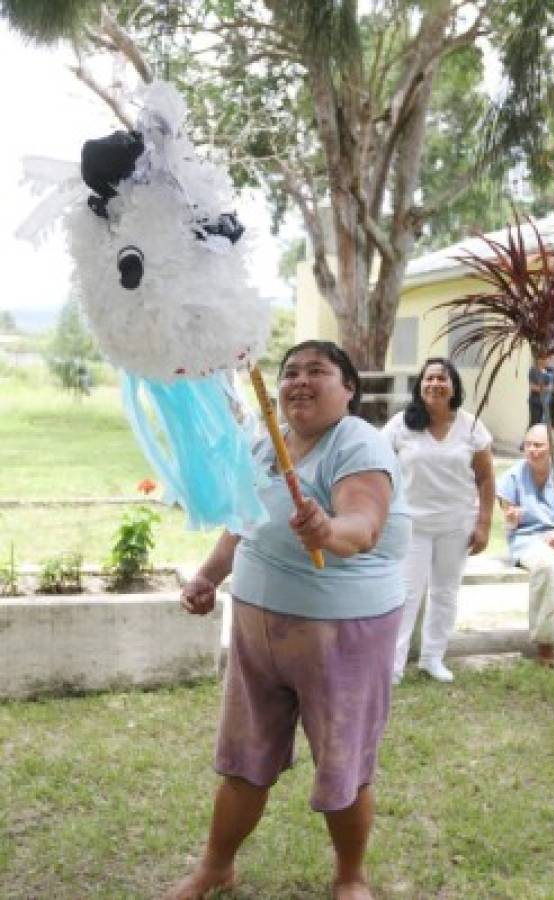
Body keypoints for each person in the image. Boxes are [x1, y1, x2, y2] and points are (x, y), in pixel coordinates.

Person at [164, 340, 411, 900]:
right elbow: (242, 520)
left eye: (317, 371)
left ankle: (351, 877)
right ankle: (216, 866)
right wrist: (208, 576)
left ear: (348, 388)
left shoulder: (358, 443)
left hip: (343, 634)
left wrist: (329, 531)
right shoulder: (264, 447)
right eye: (291, 372)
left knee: (343, 761)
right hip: (257, 629)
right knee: (243, 759)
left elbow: (365, 522)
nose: (300, 381)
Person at [383, 357, 495, 684]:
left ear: (454, 387)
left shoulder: (471, 427)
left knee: (445, 592)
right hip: (411, 524)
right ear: (420, 385)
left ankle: (433, 659)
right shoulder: (400, 425)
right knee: (405, 594)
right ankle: (393, 665)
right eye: (429, 378)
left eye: (442, 379)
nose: (435, 384)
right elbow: (378, 468)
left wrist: (485, 523)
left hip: (456, 523)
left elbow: (486, 479)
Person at [497, 423, 554, 666]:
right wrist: (511, 517)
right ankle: (547, 644)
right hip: (529, 539)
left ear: (552, 448)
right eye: (527, 445)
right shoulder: (513, 476)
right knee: (548, 566)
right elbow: (508, 520)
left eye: (538, 445)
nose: (532, 450)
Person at [528, 350, 554, 429]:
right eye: (545, 359)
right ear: (539, 359)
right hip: (536, 402)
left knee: (545, 426)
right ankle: (529, 441)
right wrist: (545, 388)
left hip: (547, 402)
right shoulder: (533, 370)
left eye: (548, 358)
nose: (547, 360)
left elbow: (550, 387)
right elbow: (532, 387)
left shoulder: (551, 370)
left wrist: (542, 388)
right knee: (534, 424)